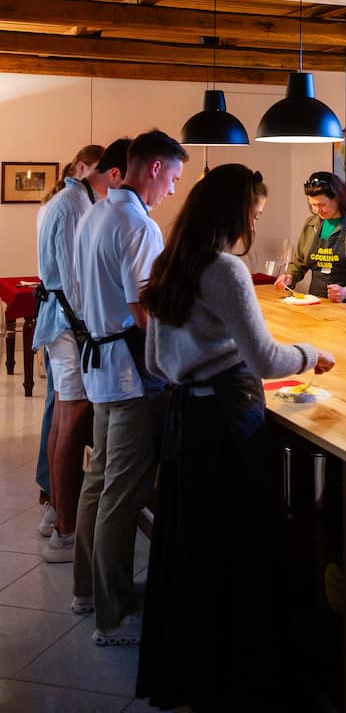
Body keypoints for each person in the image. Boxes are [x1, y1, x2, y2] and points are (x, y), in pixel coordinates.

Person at [136, 164, 335, 711]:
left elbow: (154, 360)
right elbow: (266, 359)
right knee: (239, 545)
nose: (254, 223)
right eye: (254, 213)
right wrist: (311, 355)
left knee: (195, 546)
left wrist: (204, 355)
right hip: (226, 420)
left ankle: (192, 671)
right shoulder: (225, 269)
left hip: (186, 419)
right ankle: (239, 676)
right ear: (234, 212)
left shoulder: (169, 261)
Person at [72, 130, 188, 645]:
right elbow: (145, 312)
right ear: (155, 167)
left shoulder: (96, 212)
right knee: (121, 495)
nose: (172, 190)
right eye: (174, 178)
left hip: (100, 364)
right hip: (130, 375)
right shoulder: (138, 225)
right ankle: (113, 616)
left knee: (98, 482)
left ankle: (87, 591)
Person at [32, 143, 116, 544]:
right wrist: (94, 323)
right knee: (72, 417)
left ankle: (56, 510)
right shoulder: (72, 204)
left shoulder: (71, 200)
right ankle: (66, 529)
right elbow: (72, 279)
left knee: (62, 418)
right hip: (67, 324)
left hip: (61, 320)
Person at [275, 170, 346, 306]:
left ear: (337, 199)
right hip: (318, 303)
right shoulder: (311, 224)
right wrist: (289, 277)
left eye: (321, 205)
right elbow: (299, 263)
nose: (316, 210)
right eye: (313, 205)